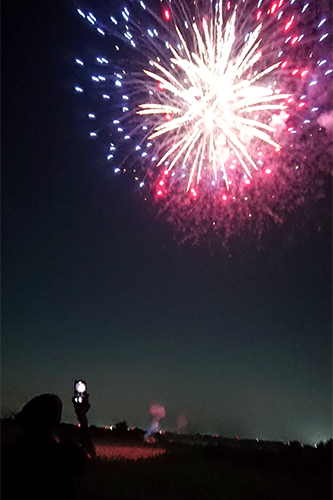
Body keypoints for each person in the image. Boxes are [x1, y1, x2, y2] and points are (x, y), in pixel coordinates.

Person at [2, 392, 95, 499]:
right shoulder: (63, 454)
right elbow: (89, 456)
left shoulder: (12, 455)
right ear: (56, 422)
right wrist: (82, 416)